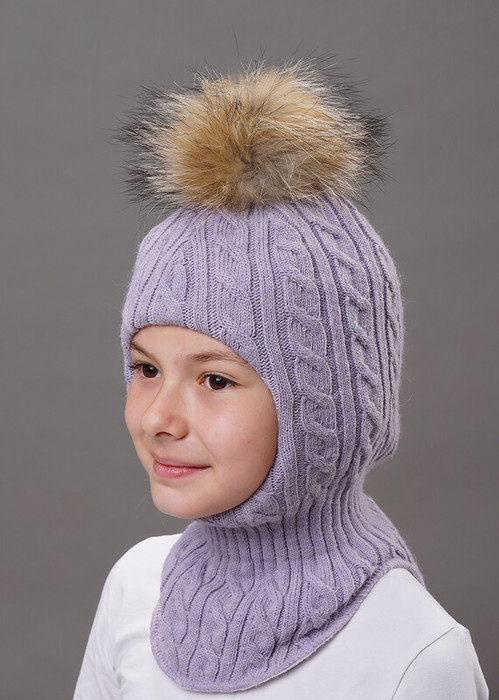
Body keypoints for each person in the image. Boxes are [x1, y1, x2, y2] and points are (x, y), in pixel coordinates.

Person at [73, 58, 489, 698]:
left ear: (325, 410)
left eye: (215, 381)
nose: (157, 418)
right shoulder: (135, 591)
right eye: (146, 369)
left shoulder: (413, 655)